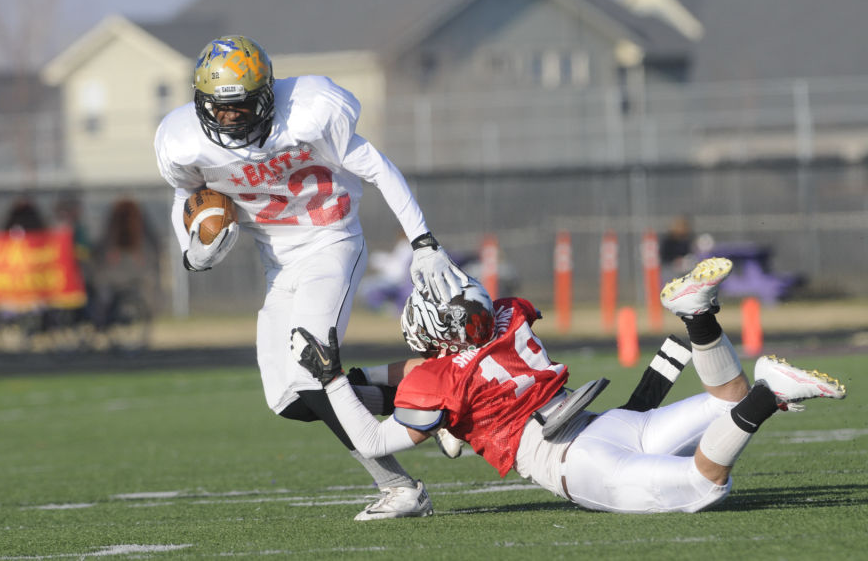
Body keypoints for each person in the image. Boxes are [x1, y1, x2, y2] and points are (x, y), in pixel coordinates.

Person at [153, 35, 469, 520]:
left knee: (313, 372)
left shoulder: (310, 110)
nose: (230, 119)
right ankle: (434, 402)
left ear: (266, 95)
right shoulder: (183, 140)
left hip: (331, 244)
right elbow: (184, 196)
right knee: (289, 399)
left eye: (241, 107)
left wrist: (423, 242)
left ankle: (401, 488)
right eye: (219, 108)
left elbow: (379, 169)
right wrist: (192, 251)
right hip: (279, 265)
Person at [292, 257, 848, 514]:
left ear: (435, 340)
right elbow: (427, 375)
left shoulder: (436, 377)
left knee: (703, 486)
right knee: (725, 400)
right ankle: (697, 318)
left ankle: (769, 394)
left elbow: (372, 439)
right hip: (606, 421)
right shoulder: (508, 314)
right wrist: (363, 382)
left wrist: (332, 380)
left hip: (571, 461)